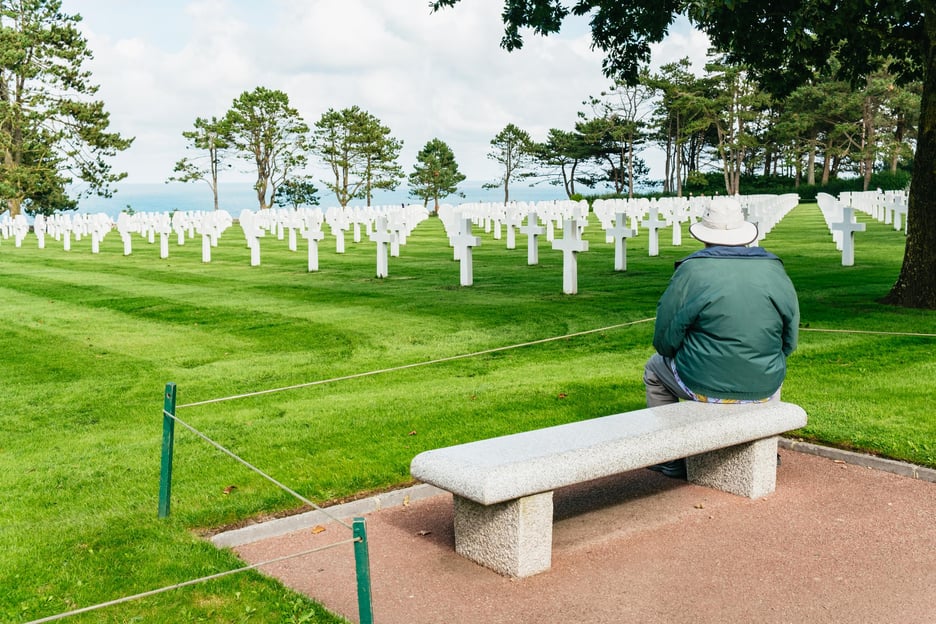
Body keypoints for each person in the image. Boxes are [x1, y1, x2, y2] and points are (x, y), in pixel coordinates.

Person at [643, 196, 800, 478]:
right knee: (772, 364)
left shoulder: (691, 271)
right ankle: (767, 447)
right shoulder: (774, 268)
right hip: (764, 383)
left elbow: (665, 340)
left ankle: (670, 456)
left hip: (703, 382)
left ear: (705, 236)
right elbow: (789, 340)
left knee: (655, 370)